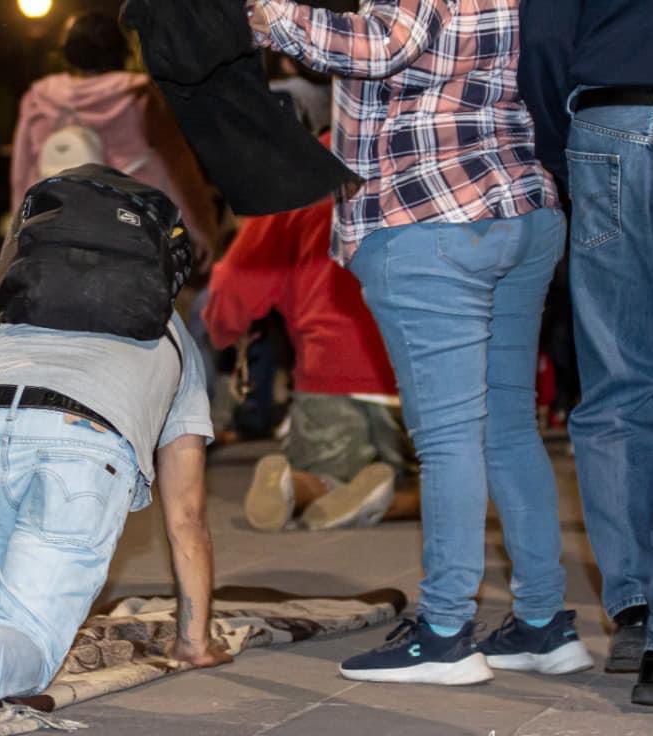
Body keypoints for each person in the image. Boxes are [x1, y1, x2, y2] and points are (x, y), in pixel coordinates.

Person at [246, 0, 592, 684]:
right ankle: (545, 625)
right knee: (508, 429)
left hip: (429, 213)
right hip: (519, 205)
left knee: (448, 437)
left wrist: (274, 17)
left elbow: (386, 42)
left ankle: (442, 634)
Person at [0, 167, 230, 736]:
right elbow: (187, 516)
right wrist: (194, 642)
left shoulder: (8, 309)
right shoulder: (173, 339)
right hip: (80, 446)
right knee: (28, 641)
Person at [519, 0, 653, 705]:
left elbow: (542, 36)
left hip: (610, 123)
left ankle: (635, 609)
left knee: (617, 386)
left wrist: (558, 149)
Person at [204, 184, 417, 533]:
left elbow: (235, 276)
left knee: (324, 468)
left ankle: (301, 485)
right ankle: (390, 499)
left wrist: (223, 328)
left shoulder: (304, 174)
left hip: (328, 368)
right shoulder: (424, 149)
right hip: (415, 364)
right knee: (442, 480)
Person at [9, 11, 218, 267]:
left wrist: (18, 236)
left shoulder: (38, 100)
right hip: (132, 238)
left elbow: (22, 175)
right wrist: (201, 230)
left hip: (58, 236)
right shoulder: (138, 96)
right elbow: (178, 167)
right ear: (121, 50)